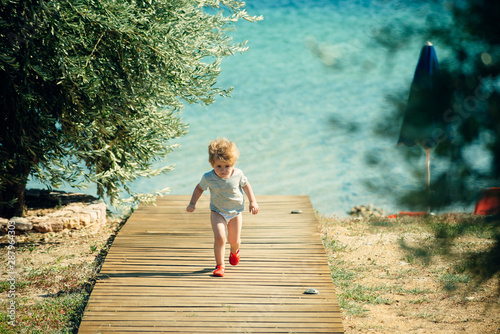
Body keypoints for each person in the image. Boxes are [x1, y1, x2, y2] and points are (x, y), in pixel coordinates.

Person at [186, 138, 259, 277]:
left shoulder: (238, 174)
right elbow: (199, 188)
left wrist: (253, 201)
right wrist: (192, 203)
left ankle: (234, 250)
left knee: (234, 241)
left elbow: (246, 185)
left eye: (227, 166)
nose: (223, 170)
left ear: (233, 164)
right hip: (217, 211)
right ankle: (220, 266)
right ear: (212, 164)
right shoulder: (208, 177)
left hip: (235, 212)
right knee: (220, 237)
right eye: (218, 166)